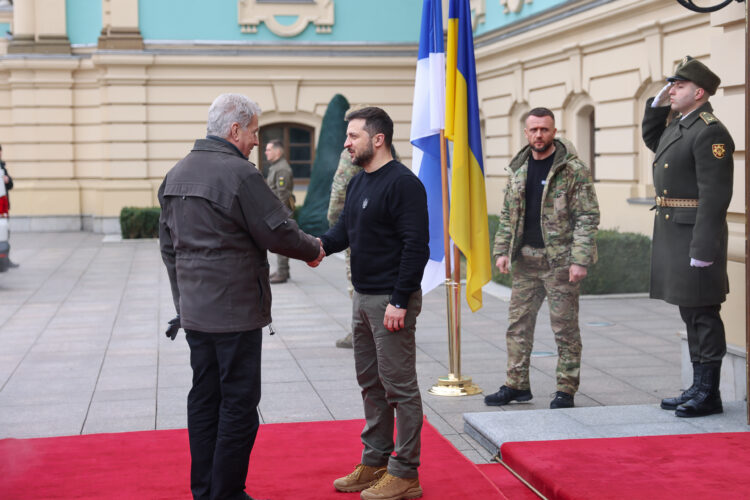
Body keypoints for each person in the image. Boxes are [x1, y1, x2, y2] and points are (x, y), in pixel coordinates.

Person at [158, 93, 323, 500]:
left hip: (196, 315)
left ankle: (205, 490)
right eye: (252, 132)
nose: (255, 141)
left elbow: (167, 248)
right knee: (238, 406)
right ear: (234, 130)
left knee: (204, 398)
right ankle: (226, 493)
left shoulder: (175, 174)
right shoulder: (240, 174)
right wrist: (313, 249)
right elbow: (277, 231)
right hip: (235, 315)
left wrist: (183, 303)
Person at [319, 107, 429, 500]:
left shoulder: (403, 184)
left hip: (389, 301)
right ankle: (375, 461)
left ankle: (405, 474)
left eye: (353, 136)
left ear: (377, 139)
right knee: (371, 385)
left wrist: (399, 301)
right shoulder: (358, 182)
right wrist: (313, 247)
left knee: (399, 388)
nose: (346, 142)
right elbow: (342, 232)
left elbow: (417, 246)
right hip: (362, 298)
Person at [486, 107, 600, 410]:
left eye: (545, 129)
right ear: (526, 133)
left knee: (564, 329)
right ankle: (516, 385)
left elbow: (587, 216)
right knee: (517, 326)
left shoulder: (572, 169)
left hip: (560, 263)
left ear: (554, 131)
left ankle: (565, 389)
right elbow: (508, 216)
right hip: (526, 262)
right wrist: (501, 251)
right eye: (534, 130)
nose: (539, 135)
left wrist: (580, 259)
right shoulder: (519, 169)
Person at [642, 56, 734, 418]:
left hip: (695, 235)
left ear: (699, 92)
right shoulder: (680, 125)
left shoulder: (710, 131)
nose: (672, 90)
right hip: (674, 233)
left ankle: (709, 393)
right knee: (690, 312)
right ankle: (697, 386)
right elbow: (654, 139)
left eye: (678, 86)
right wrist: (657, 105)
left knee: (704, 314)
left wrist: (704, 247)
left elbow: (715, 195)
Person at [327, 148, 362, 348]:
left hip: (357, 230)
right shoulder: (388, 148)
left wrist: (336, 230)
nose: (348, 141)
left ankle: (361, 331)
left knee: (356, 283)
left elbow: (340, 190)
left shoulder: (351, 153)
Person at [264, 139, 295, 284]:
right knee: (280, 241)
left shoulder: (281, 168)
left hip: (281, 211)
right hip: (277, 210)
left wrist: (280, 215)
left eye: (269, 149)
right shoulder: (276, 167)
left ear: (278, 151)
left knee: (282, 241)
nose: (266, 152)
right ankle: (283, 270)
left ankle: (282, 272)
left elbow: (283, 194)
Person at [0, 144, 18, 268]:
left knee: (6, 234)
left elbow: (10, 184)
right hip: (2, 205)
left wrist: (7, 180)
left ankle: (6, 259)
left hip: (3, 206)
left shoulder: (2, 167)